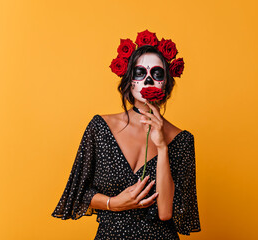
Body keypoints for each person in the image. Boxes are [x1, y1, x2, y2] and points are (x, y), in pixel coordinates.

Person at [51, 30, 201, 239]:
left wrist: (162, 147)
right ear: (129, 80)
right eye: (140, 73)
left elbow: (166, 213)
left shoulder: (182, 140)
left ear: (166, 82)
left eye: (157, 74)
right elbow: (78, 193)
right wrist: (113, 204)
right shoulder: (101, 127)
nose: (148, 80)